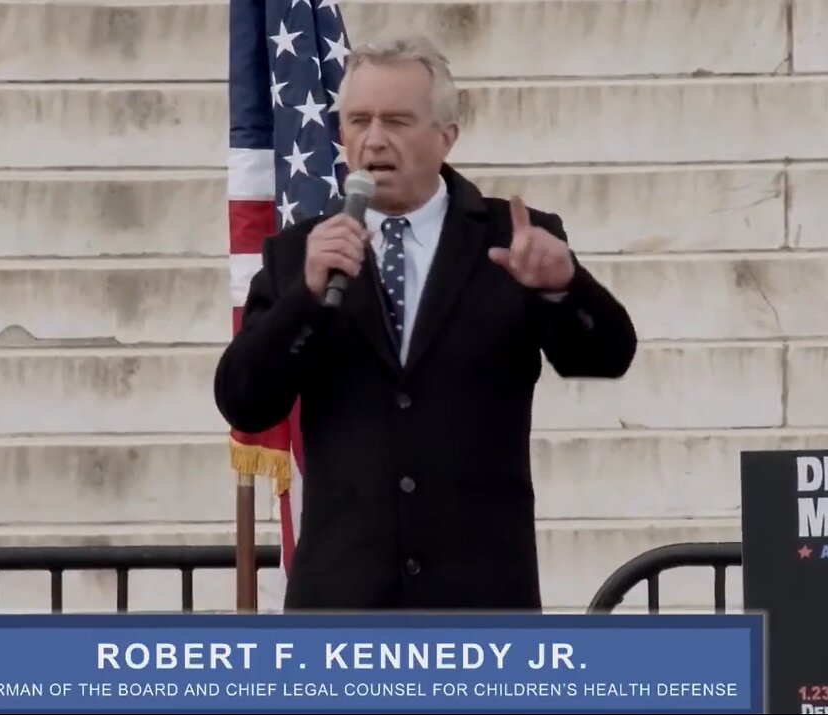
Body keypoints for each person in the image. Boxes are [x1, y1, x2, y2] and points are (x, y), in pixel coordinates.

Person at [214, 35, 637, 611]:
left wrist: (565, 288)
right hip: (343, 606)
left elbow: (606, 356)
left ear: (446, 135)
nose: (375, 140)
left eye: (398, 121)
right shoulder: (299, 254)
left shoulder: (512, 237)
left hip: (481, 602)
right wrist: (306, 298)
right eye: (358, 121)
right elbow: (244, 399)